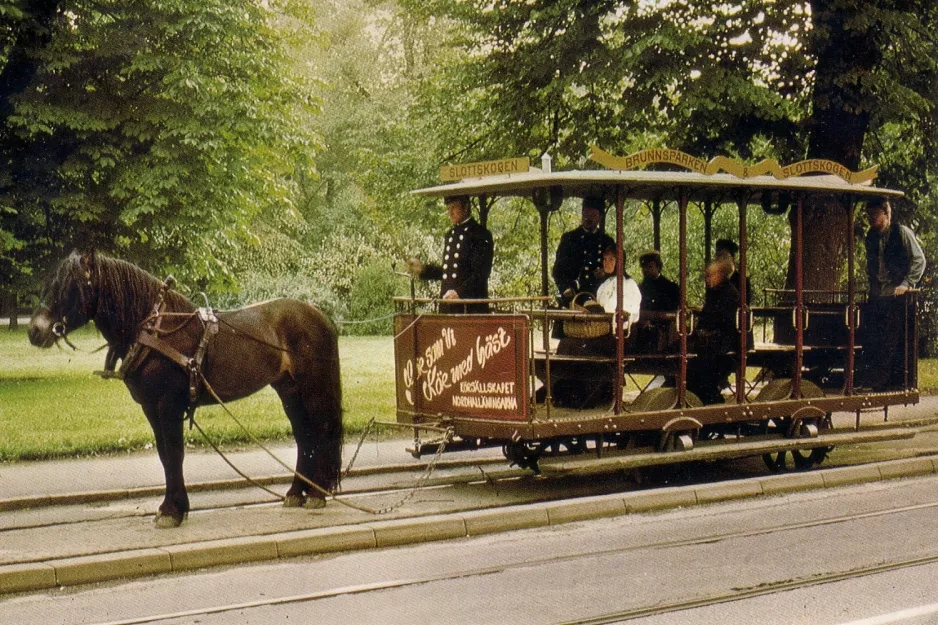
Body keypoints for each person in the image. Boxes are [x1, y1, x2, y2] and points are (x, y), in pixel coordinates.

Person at [552, 245, 640, 408]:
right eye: (605, 259)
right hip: (599, 332)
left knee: (579, 348)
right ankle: (563, 394)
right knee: (566, 343)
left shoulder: (630, 285)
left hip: (619, 336)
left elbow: (628, 315)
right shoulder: (604, 285)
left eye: (611, 259)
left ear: (620, 262)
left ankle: (589, 397)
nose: (607, 263)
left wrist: (602, 313)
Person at [856, 197, 926, 391]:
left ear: (886, 214)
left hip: (896, 296)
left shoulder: (901, 232)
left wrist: (906, 283)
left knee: (889, 342)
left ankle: (884, 383)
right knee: (872, 340)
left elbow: (919, 260)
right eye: (868, 214)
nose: (870, 218)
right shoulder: (871, 236)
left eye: (874, 214)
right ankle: (871, 380)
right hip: (877, 295)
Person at [407, 195, 494, 314]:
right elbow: (448, 272)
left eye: (454, 207)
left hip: (469, 308)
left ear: (466, 207)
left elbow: (481, 274)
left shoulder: (480, 234)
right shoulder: (450, 235)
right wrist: (423, 269)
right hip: (448, 307)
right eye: (448, 208)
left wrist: (459, 293)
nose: (450, 212)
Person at [686, 257, 740, 404]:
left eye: (710, 275)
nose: (707, 279)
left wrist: (703, 333)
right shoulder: (715, 292)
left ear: (721, 274)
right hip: (711, 343)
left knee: (698, 370)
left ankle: (713, 406)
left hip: (722, 347)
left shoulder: (729, 294)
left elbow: (722, 324)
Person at [552, 196, 615, 304]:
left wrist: (604, 274)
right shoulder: (570, 238)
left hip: (600, 297)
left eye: (592, 215)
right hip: (574, 297)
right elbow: (558, 271)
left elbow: (615, 269)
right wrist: (566, 288)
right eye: (585, 214)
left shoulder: (606, 241)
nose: (588, 218)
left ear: (599, 217)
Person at [635, 249, 680, 353]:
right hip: (642, 329)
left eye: (650, 267)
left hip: (664, 331)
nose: (646, 270)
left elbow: (673, 309)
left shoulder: (670, 288)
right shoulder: (638, 289)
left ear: (658, 267)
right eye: (644, 268)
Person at [714, 239, 751, 305]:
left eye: (723, 256)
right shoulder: (715, 282)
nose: (719, 260)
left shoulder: (743, 282)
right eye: (717, 256)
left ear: (733, 258)